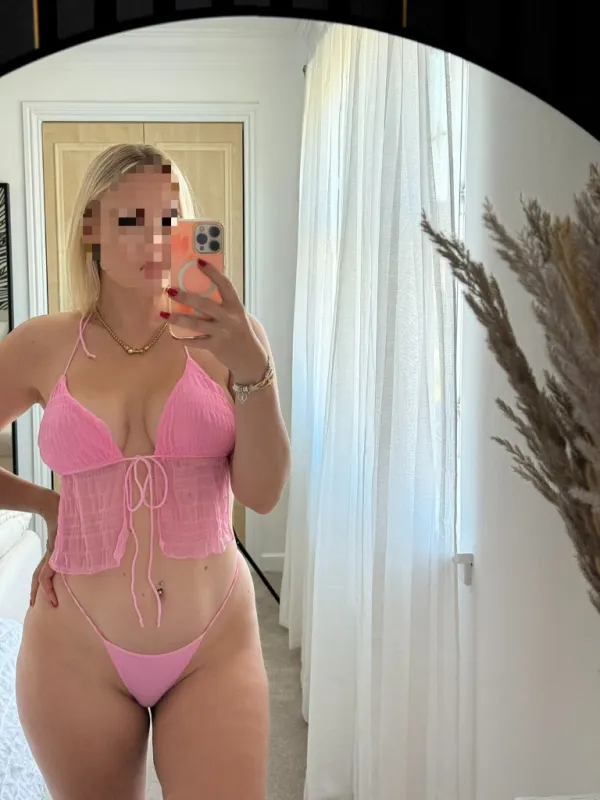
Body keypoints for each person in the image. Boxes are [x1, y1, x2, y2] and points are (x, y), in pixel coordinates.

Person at [0, 143, 290, 800]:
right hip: (75, 650)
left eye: (170, 219)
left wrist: (253, 367)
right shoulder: (43, 343)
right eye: (131, 219)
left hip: (213, 643)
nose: (155, 239)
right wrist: (49, 505)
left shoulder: (231, 339)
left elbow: (263, 493)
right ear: (91, 227)